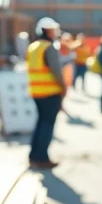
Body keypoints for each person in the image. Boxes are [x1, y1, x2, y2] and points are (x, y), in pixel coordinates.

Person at [26, 17, 68, 169]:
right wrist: (64, 88)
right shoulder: (49, 47)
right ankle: (42, 158)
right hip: (49, 92)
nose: (55, 32)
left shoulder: (33, 47)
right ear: (47, 31)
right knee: (47, 125)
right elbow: (57, 71)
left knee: (40, 123)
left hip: (36, 92)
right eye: (53, 30)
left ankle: (33, 155)